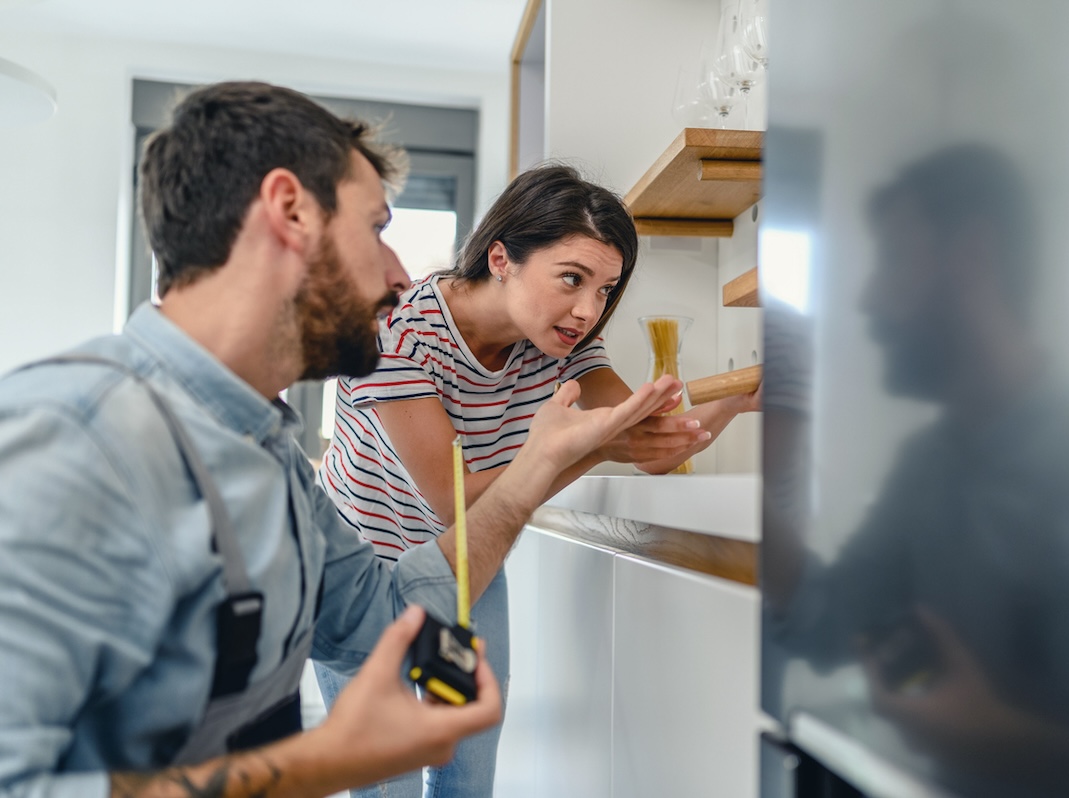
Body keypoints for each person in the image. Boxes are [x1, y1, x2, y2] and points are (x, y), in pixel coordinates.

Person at [0, 81, 684, 798]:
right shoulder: (69, 438)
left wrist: (543, 462)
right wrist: (317, 768)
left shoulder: (277, 467)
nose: (398, 276)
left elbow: (385, 615)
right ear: (289, 212)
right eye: (378, 229)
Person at [314, 164, 761, 796]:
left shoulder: (564, 339)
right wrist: (589, 446)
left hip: (470, 570)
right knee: (383, 781)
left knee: (466, 772)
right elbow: (453, 502)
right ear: (501, 258)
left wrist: (735, 399)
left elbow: (651, 443)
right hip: (365, 572)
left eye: (606, 289)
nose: (588, 310)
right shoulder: (400, 332)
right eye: (572, 279)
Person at [769, 144, 1069, 796]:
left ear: (971, 258)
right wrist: (734, 493)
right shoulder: (929, 468)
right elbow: (835, 621)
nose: (868, 298)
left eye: (894, 260)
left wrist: (1000, 738)